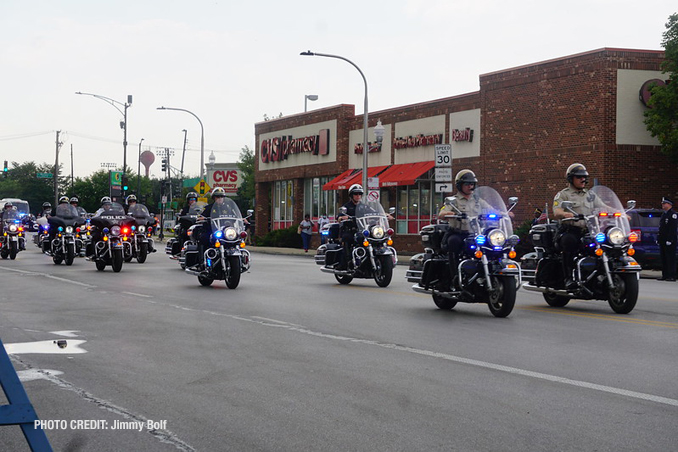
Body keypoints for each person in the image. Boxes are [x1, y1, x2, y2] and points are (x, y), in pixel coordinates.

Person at [552, 163, 610, 289]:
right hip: (569, 230)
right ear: (571, 179)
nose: (583, 179)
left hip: (589, 230)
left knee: (606, 243)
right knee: (569, 243)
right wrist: (564, 213)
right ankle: (568, 278)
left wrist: (620, 212)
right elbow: (556, 211)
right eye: (579, 177)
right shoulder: (563, 194)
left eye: (584, 177)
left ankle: (601, 274)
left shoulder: (589, 195)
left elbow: (603, 206)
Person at [438, 169, 492, 285]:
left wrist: (504, 213)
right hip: (458, 233)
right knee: (453, 242)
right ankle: (455, 276)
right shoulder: (452, 201)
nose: (470, 186)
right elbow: (442, 213)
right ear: (459, 185)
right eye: (467, 184)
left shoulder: (478, 200)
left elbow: (491, 209)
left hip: (475, 234)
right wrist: (450, 214)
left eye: (472, 184)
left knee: (491, 245)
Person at [336, 184, 364, 268]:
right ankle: (346, 262)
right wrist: (342, 217)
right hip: (350, 230)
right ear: (351, 195)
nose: (358, 196)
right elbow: (339, 217)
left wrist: (384, 215)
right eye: (356, 194)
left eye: (359, 194)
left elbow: (373, 212)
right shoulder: (347, 206)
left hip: (362, 230)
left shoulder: (364, 206)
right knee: (348, 238)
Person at [658, 197, 677, 282]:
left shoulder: (673, 215)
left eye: (664, 203)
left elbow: (672, 229)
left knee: (670, 258)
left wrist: (670, 239)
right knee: (664, 258)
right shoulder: (664, 214)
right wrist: (659, 239)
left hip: (670, 241)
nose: (663, 205)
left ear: (669, 204)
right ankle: (665, 275)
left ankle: (672, 275)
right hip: (663, 240)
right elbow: (661, 228)